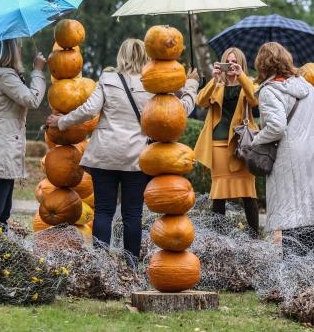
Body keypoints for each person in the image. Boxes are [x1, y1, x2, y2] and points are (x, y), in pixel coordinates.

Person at [46, 39, 199, 264]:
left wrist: (61, 122)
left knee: (104, 212)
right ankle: (131, 266)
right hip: (137, 158)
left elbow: (89, 111)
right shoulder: (154, 87)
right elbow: (180, 112)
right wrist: (191, 86)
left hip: (105, 155)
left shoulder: (108, 79)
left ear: (121, 56)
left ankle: (101, 267)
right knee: (132, 215)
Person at [252, 42, 314, 258]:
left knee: (289, 212)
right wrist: (311, 145)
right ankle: (310, 264)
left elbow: (276, 127)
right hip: (310, 157)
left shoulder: (269, 91)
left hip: (286, 157)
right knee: (306, 212)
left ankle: (292, 268)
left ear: (262, 65)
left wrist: (256, 140)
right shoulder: (309, 88)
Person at [0, 39, 46, 229]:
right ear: (11, 50)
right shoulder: (5, 77)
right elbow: (32, 99)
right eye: (18, 46)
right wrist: (38, 71)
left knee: (1, 210)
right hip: (2, 146)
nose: (20, 49)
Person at [194, 47, 260, 236]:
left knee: (248, 194)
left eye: (234, 62)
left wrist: (241, 77)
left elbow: (254, 100)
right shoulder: (217, 85)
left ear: (240, 64)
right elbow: (200, 101)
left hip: (242, 146)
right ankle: (219, 241)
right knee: (219, 195)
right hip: (218, 145)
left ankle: (254, 239)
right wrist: (214, 80)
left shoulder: (250, 83)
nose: (231, 65)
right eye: (228, 61)